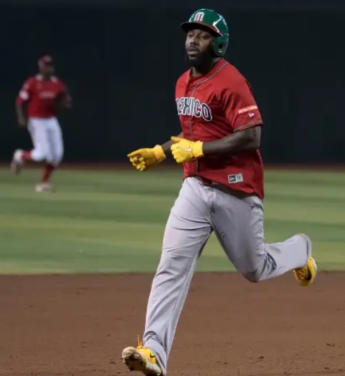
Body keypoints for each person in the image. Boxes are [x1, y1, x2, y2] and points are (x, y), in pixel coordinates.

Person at [121, 9, 317, 376]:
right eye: (190, 33)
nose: (193, 39)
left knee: (255, 268)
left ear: (220, 43)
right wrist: (161, 151)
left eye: (203, 34)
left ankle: (299, 250)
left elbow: (251, 135)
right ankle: (153, 353)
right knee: (171, 266)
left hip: (236, 190)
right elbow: (193, 137)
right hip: (194, 188)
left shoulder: (232, 82)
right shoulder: (182, 83)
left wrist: (197, 150)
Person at [11, 55, 72, 192]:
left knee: (57, 155)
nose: (49, 68)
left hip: (51, 119)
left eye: (50, 65)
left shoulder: (57, 83)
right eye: (46, 66)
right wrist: (22, 117)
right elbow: (20, 101)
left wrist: (65, 103)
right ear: (41, 67)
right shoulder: (32, 82)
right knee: (42, 154)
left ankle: (43, 184)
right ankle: (20, 155)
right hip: (36, 120)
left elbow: (65, 96)